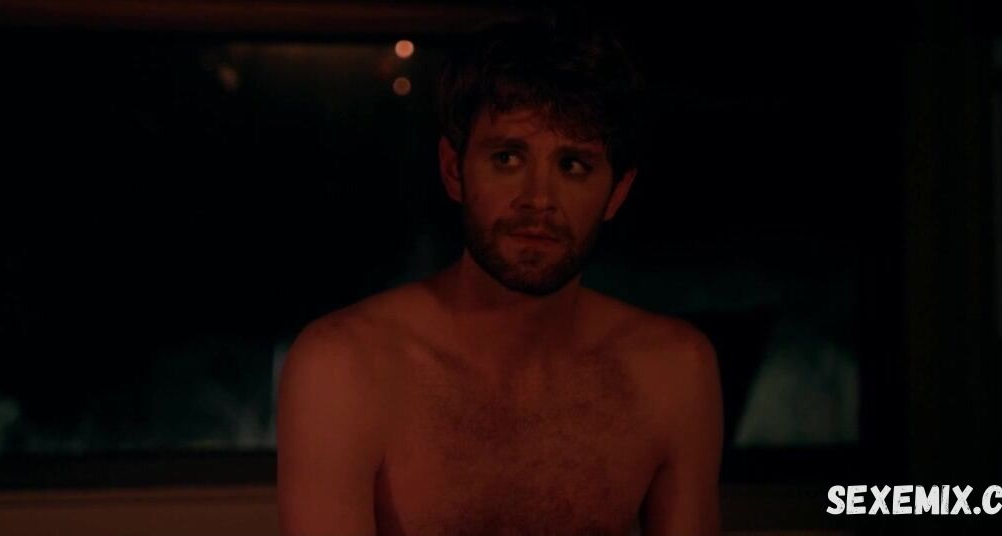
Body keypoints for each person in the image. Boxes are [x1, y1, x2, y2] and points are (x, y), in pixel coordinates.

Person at [277, 18, 723, 536]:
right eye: (507, 158)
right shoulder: (345, 370)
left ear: (617, 193)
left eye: (573, 165)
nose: (539, 199)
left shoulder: (672, 372)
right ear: (454, 171)